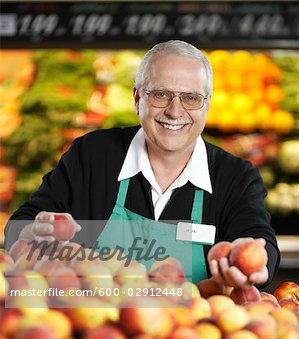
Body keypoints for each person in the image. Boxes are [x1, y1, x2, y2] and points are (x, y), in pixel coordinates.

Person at [5, 40, 279, 288]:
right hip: (98, 329)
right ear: (138, 99)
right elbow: (21, 224)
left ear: (207, 106)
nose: (175, 110)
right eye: (161, 94)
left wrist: (254, 256)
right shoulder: (92, 155)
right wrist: (34, 232)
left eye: (191, 98)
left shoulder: (234, 176)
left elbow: (260, 241)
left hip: (192, 334)